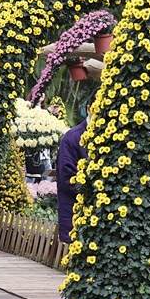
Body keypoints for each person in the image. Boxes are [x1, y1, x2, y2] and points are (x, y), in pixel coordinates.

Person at [55, 89, 96, 244]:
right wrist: (95, 192)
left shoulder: (109, 138)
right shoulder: (72, 138)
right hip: (74, 213)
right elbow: (67, 179)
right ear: (88, 109)